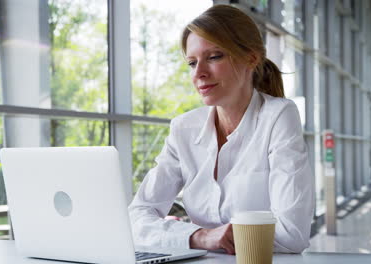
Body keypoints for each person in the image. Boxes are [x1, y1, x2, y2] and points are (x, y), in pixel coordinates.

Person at [128, 5, 314, 254]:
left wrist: (198, 236)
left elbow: (292, 234)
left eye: (214, 57)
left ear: (251, 58)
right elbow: (136, 217)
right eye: (192, 63)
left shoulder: (278, 116)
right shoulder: (184, 129)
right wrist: (200, 236)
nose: (199, 73)